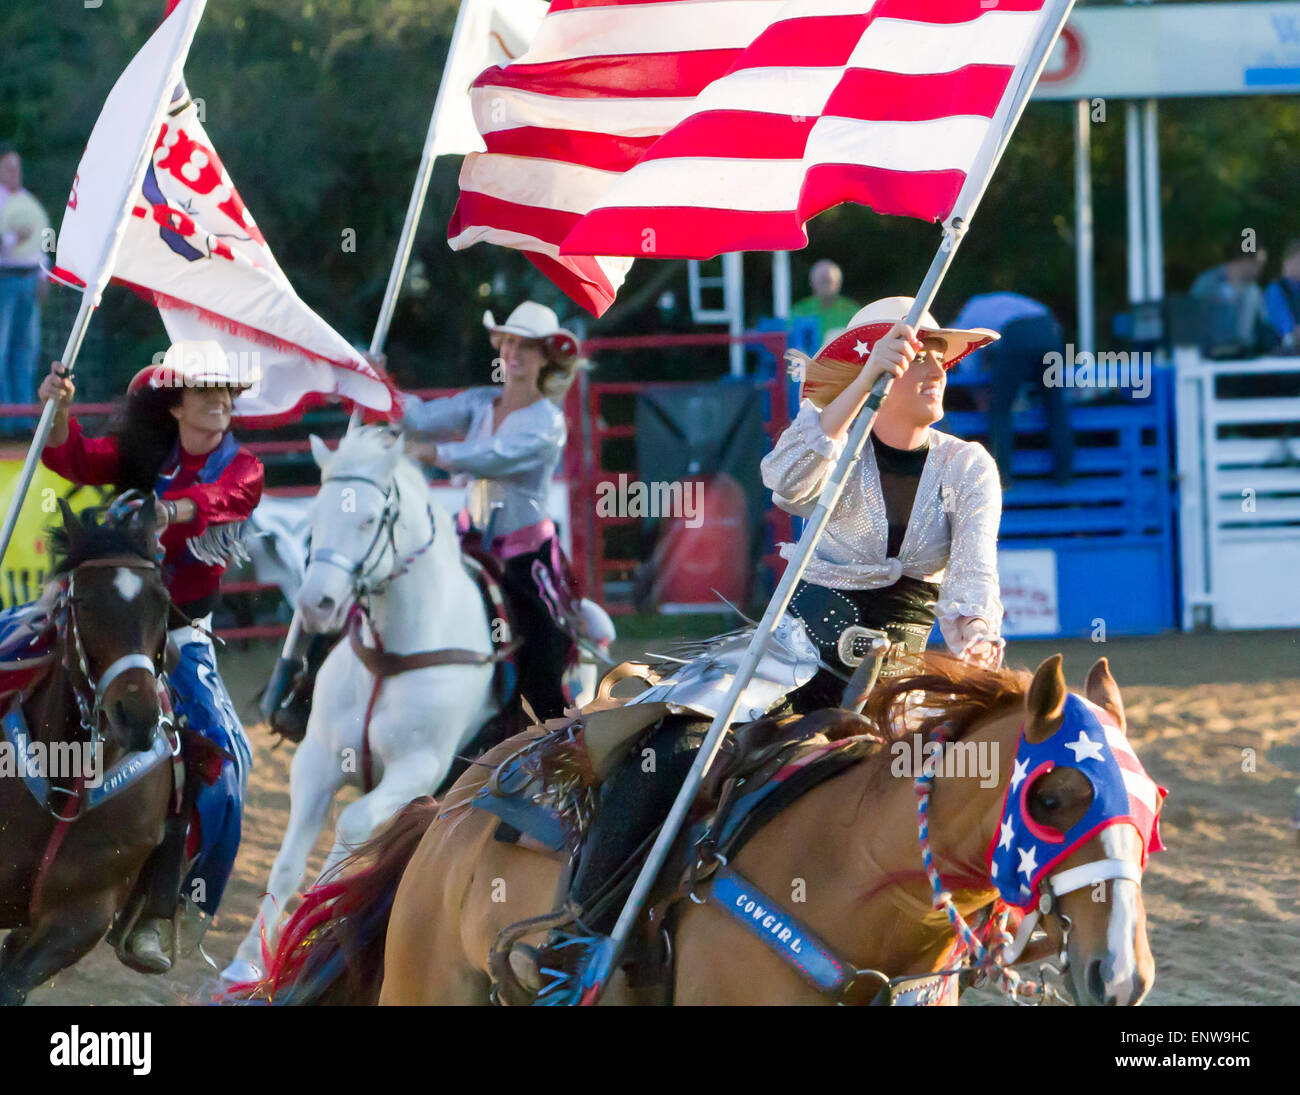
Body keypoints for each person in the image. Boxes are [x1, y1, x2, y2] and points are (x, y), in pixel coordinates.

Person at [515, 296, 1007, 1001]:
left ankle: (972, 956)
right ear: (876, 365)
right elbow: (786, 479)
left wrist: (977, 659)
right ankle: (584, 938)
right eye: (918, 354)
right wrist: (858, 388)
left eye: (941, 357)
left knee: (984, 784)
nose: (936, 368)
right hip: (796, 659)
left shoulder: (969, 468)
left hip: (904, 679)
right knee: (674, 748)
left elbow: (973, 585)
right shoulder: (836, 446)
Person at [37, 340, 263, 972]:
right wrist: (59, 411)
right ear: (174, 404)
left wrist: (170, 509)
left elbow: (220, 502)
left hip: (183, 632)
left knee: (223, 763)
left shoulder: (243, 466)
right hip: (109, 620)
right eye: (204, 389)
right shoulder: (141, 452)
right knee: (18, 659)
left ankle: (161, 908)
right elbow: (72, 456)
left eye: (226, 391)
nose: (219, 400)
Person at [402, 301, 583, 723]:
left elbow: (492, 455)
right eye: (510, 342)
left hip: (525, 558)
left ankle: (548, 728)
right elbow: (419, 416)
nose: (515, 354)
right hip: (469, 543)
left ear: (545, 357)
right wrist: (372, 382)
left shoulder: (548, 422)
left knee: (543, 638)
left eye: (528, 347)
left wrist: (431, 451)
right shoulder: (481, 402)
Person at [950, 291, 1074, 487]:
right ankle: (1065, 475)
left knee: (999, 410)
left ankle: (1002, 479)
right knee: (1055, 405)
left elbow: (968, 364)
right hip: (1048, 328)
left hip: (1018, 333)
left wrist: (979, 396)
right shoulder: (993, 304)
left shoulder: (966, 317)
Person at [0, 145, 50, 430]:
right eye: (8, 167)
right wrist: (10, 240)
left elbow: (40, 242)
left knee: (26, 350)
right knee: (2, 351)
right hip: (4, 278)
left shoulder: (27, 202)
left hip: (29, 279)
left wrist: (44, 276)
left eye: (16, 167)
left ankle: (22, 420)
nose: (14, 173)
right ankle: (5, 422)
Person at [1190, 250, 1271, 358]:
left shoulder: (1250, 290)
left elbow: (1265, 324)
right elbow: (1192, 320)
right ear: (1247, 261)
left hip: (1244, 356)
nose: (1259, 272)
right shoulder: (1207, 284)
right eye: (1258, 266)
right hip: (1210, 355)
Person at [790, 259, 858, 344]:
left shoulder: (852, 311)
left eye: (828, 280)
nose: (826, 285)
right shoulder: (799, 311)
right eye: (822, 280)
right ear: (812, 283)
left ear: (838, 283)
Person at [1264, 240, 1300, 354]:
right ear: (1286, 262)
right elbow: (1283, 327)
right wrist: (1292, 333)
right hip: (1283, 350)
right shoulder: (1275, 289)